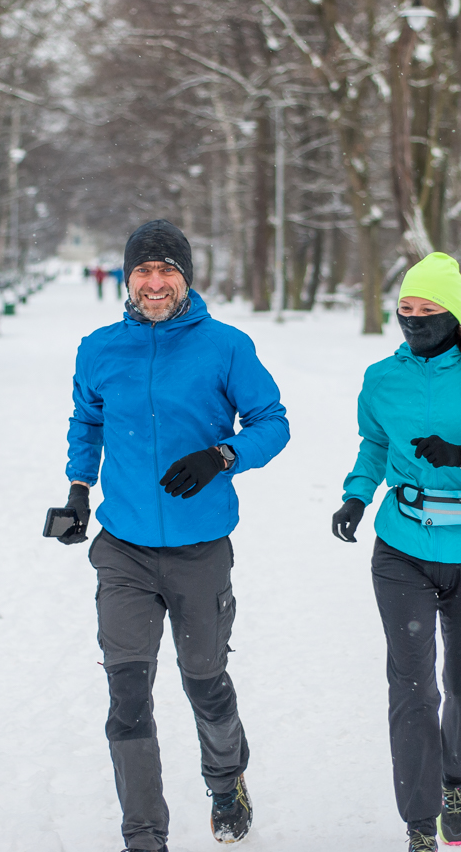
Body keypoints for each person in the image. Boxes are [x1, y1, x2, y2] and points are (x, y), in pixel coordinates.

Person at [55, 219, 290, 852]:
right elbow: (87, 421)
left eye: (167, 271)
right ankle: (144, 836)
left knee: (204, 681)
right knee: (127, 696)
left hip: (199, 548)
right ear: (127, 277)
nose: (155, 283)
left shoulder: (226, 346)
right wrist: (78, 491)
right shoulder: (99, 348)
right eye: (144, 270)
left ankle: (226, 781)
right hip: (124, 549)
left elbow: (272, 421)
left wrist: (223, 455)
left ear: (185, 278)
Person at [330, 253, 461, 852]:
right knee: (412, 685)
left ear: (452, 313)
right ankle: (420, 823)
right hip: (403, 549)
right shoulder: (381, 378)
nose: (415, 318)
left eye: (428, 309)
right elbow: (375, 444)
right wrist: (356, 495)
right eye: (406, 307)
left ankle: (455, 780)